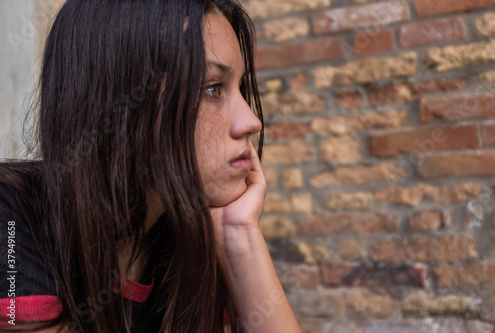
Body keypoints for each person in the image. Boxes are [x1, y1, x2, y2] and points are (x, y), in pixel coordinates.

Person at [0, 0, 303, 332]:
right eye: (213, 88)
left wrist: (238, 236)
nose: (251, 121)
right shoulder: (11, 217)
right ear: (121, 99)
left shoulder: (187, 254)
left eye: (240, 89)